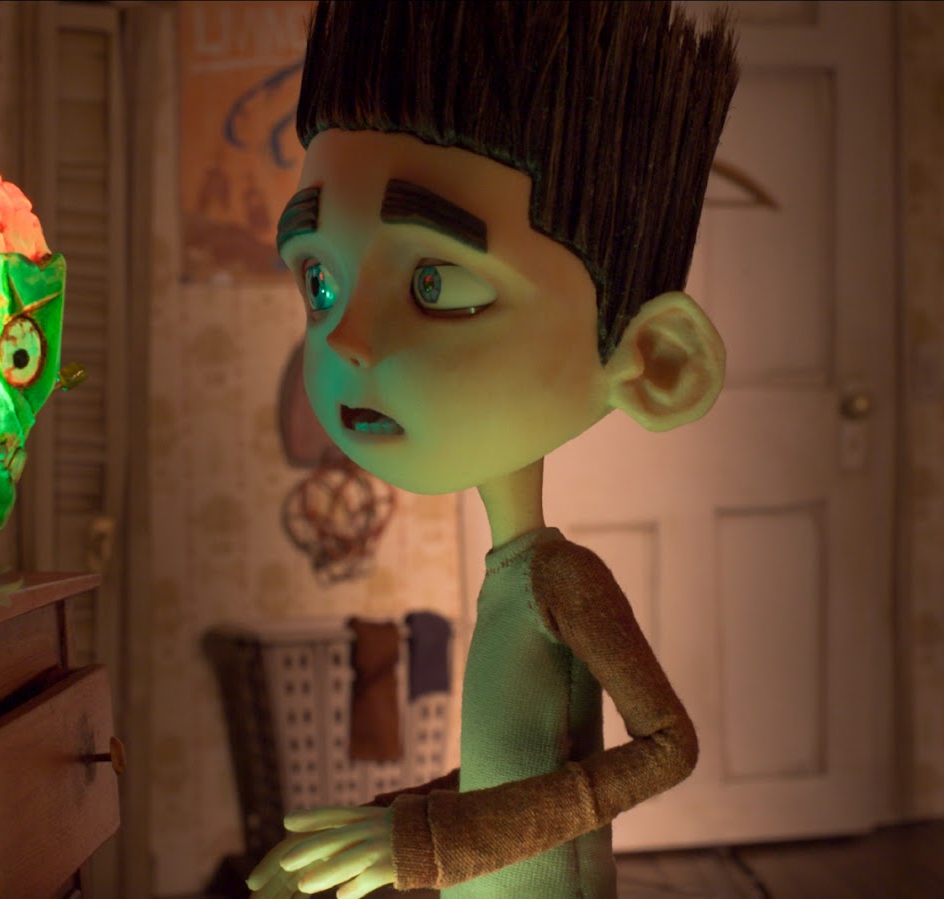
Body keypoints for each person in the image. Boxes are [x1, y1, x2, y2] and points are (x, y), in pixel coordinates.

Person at [249, 2, 739, 896]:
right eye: (320, 279)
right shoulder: (512, 574)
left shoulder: (561, 578)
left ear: (656, 363)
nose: (346, 339)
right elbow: (516, 764)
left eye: (435, 284)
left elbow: (669, 747)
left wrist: (434, 838)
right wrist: (398, 823)